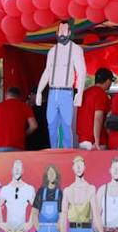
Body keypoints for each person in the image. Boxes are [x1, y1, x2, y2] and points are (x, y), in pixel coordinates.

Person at [35, 19, 87, 149]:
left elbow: (81, 71)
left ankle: (66, 152)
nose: (62, 33)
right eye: (60, 30)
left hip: (66, 92)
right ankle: (55, 150)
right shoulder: (52, 51)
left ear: (69, 32)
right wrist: (39, 91)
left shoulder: (75, 49)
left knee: (66, 124)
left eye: (64, 30)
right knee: (51, 123)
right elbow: (47, 71)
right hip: (53, 92)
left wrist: (79, 92)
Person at [0, 159, 35, 232]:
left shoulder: (29, 188)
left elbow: (36, 206)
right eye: (15, 168)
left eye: (19, 168)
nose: (17, 170)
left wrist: (30, 224)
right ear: (12, 170)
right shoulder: (5, 189)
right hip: (9, 231)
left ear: (22, 171)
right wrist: (2, 224)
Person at [62, 155, 97, 232]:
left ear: (84, 167)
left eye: (80, 165)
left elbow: (96, 214)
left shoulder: (91, 188)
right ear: (73, 168)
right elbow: (63, 215)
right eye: (76, 165)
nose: (78, 167)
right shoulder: (68, 190)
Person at [0, 86, 37, 153]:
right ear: (19, 97)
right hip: (16, 145)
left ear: (6, 96)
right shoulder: (25, 107)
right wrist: (24, 134)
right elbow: (34, 126)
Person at [77, 67, 115, 150]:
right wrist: (97, 142)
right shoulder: (101, 94)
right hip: (96, 141)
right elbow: (98, 118)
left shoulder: (85, 93)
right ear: (108, 81)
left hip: (82, 140)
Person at [32, 164, 65, 232]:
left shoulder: (60, 193)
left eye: (53, 173)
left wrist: (58, 227)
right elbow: (34, 212)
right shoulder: (41, 191)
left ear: (56, 175)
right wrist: (38, 228)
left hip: (55, 231)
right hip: (42, 230)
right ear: (46, 175)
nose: (51, 175)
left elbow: (62, 214)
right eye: (49, 173)